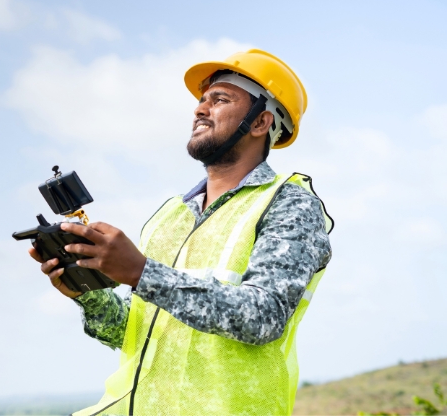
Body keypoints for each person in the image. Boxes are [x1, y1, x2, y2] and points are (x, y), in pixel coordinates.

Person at [28, 48, 333, 416]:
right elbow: (131, 331)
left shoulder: (289, 203)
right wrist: (86, 290)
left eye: (219, 99)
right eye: (202, 100)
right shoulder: (170, 215)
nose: (200, 110)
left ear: (260, 122)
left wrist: (141, 272)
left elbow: (262, 317)